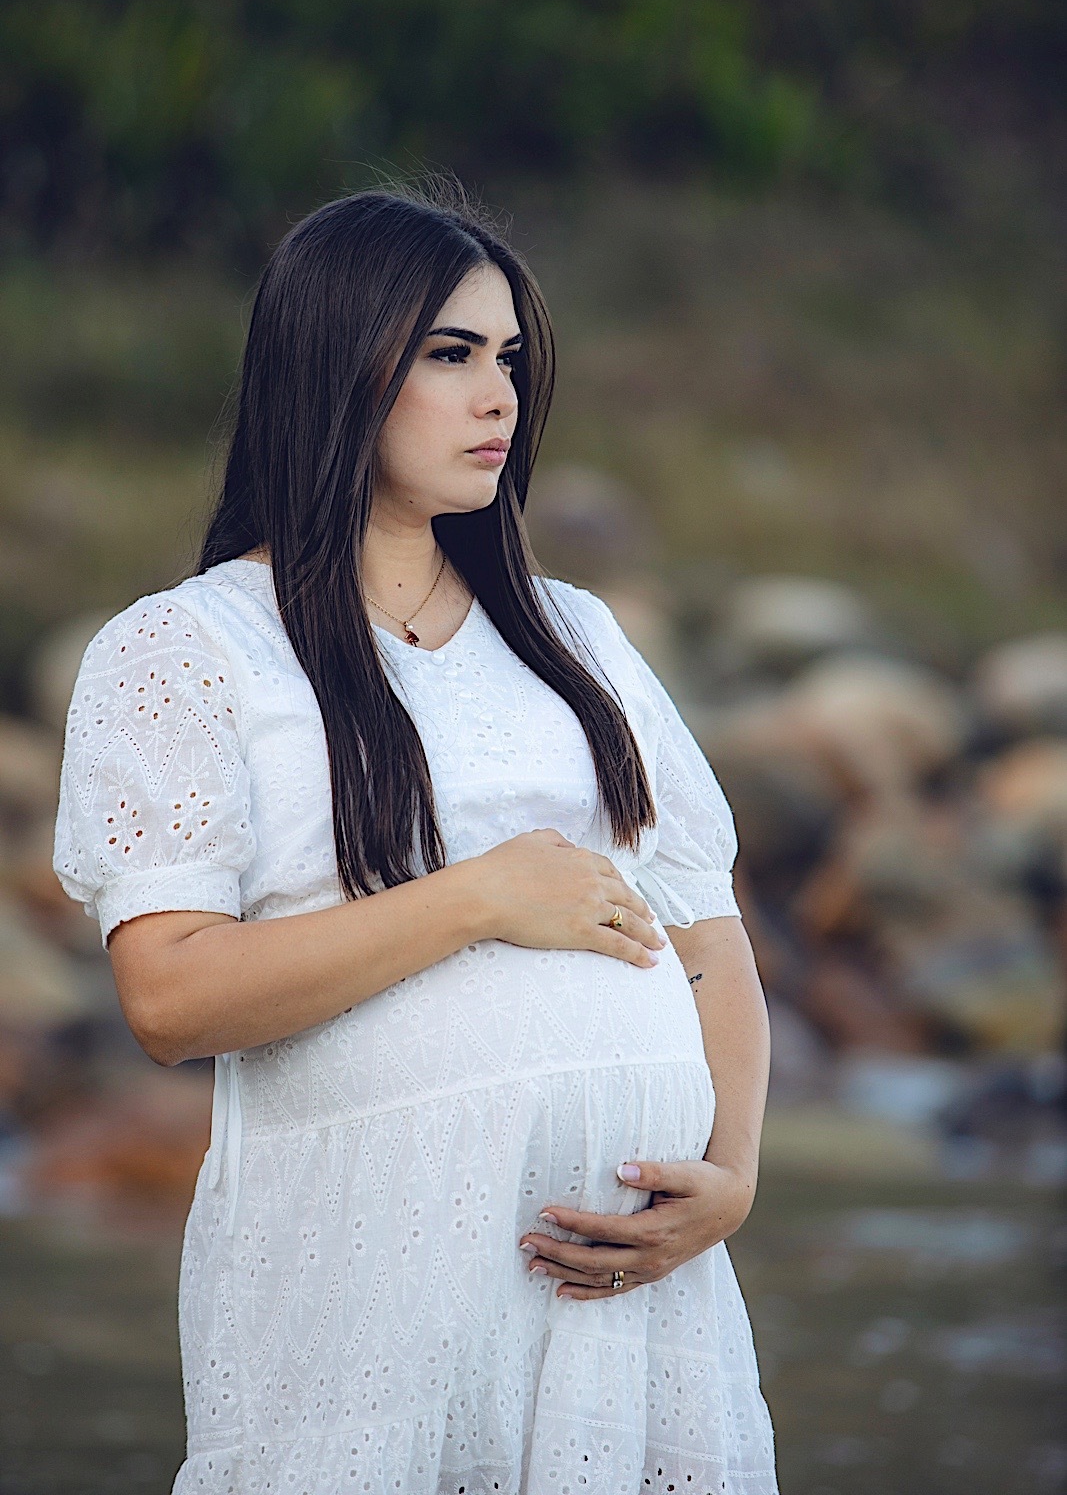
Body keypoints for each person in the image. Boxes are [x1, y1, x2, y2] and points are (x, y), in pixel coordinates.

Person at [52, 182, 778, 1495]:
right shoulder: (186, 649)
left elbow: (706, 933)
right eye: (451, 355)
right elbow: (169, 999)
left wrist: (730, 1176)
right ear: (338, 365)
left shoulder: (574, 637)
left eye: (510, 358)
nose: (500, 396)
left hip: (636, 1297)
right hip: (372, 1285)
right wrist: (475, 899)